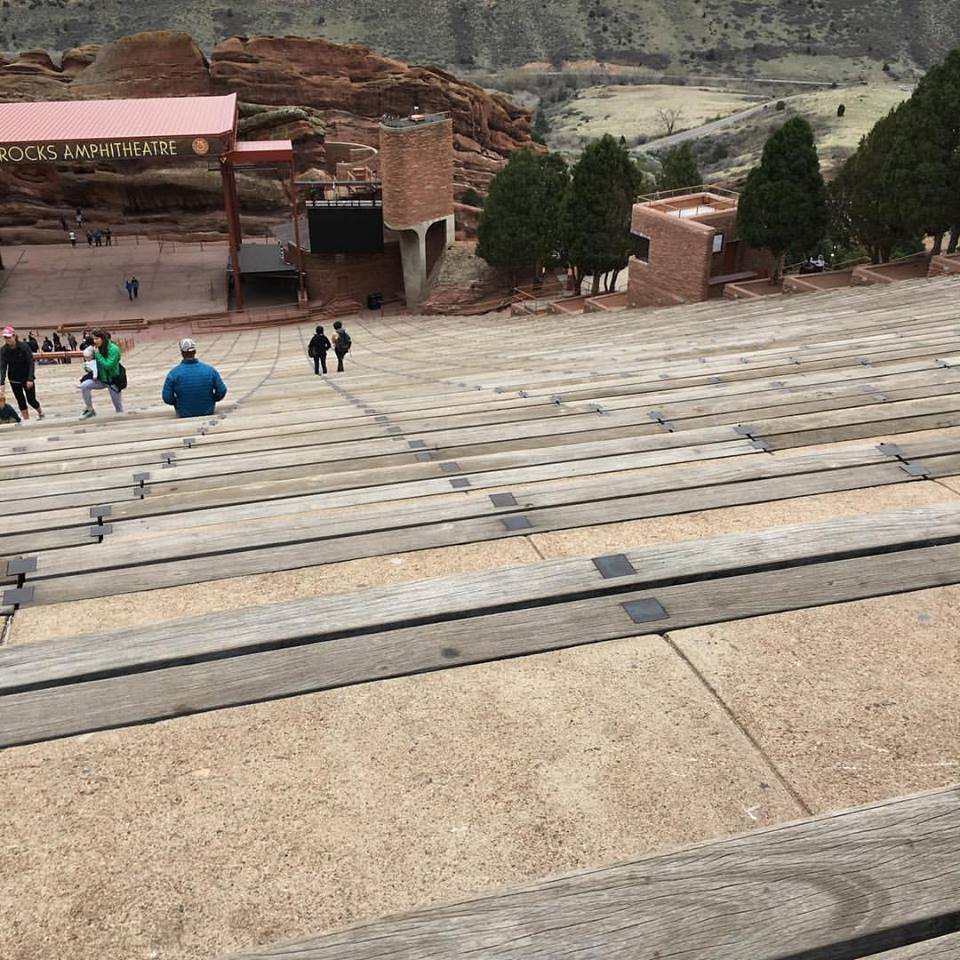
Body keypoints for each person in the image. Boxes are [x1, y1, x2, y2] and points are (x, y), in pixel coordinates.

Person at [162, 338, 227, 418]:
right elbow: (222, 390)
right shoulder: (210, 371)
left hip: (184, 413)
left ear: (182, 353)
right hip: (207, 411)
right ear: (195, 352)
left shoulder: (173, 374)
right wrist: (212, 399)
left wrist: (178, 403)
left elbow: (167, 397)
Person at [0, 326, 43, 420]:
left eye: (9, 337)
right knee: (20, 400)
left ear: (14, 336)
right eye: (5, 337)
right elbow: (3, 366)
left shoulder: (24, 347)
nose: (7, 339)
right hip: (14, 379)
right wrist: (2, 382)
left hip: (27, 377)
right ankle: (26, 420)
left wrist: (30, 378)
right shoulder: (3, 350)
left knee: (31, 400)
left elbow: (31, 363)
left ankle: (40, 411)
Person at [80, 327, 123, 418]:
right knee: (84, 386)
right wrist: (88, 368)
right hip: (101, 378)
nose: (94, 341)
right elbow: (91, 362)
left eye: (97, 339)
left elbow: (108, 365)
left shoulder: (113, 349)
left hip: (113, 380)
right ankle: (90, 409)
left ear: (103, 338)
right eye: (93, 339)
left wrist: (97, 354)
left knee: (118, 407)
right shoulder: (94, 348)